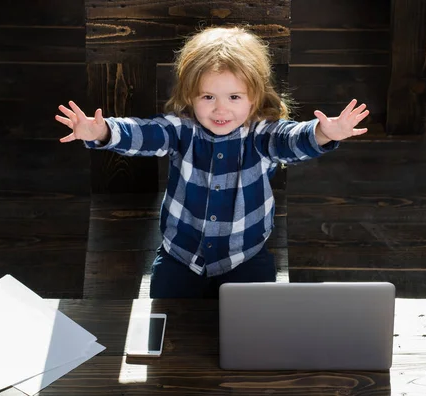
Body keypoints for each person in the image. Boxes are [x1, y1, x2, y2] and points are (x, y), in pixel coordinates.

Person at [55, 26, 369, 298]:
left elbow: (292, 140)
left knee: (255, 330)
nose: (220, 110)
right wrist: (104, 130)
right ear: (189, 97)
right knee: (164, 323)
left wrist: (323, 133)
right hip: (181, 255)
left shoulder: (261, 134)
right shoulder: (181, 130)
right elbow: (143, 133)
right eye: (208, 97)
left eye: (234, 97)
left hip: (245, 256)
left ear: (255, 98)